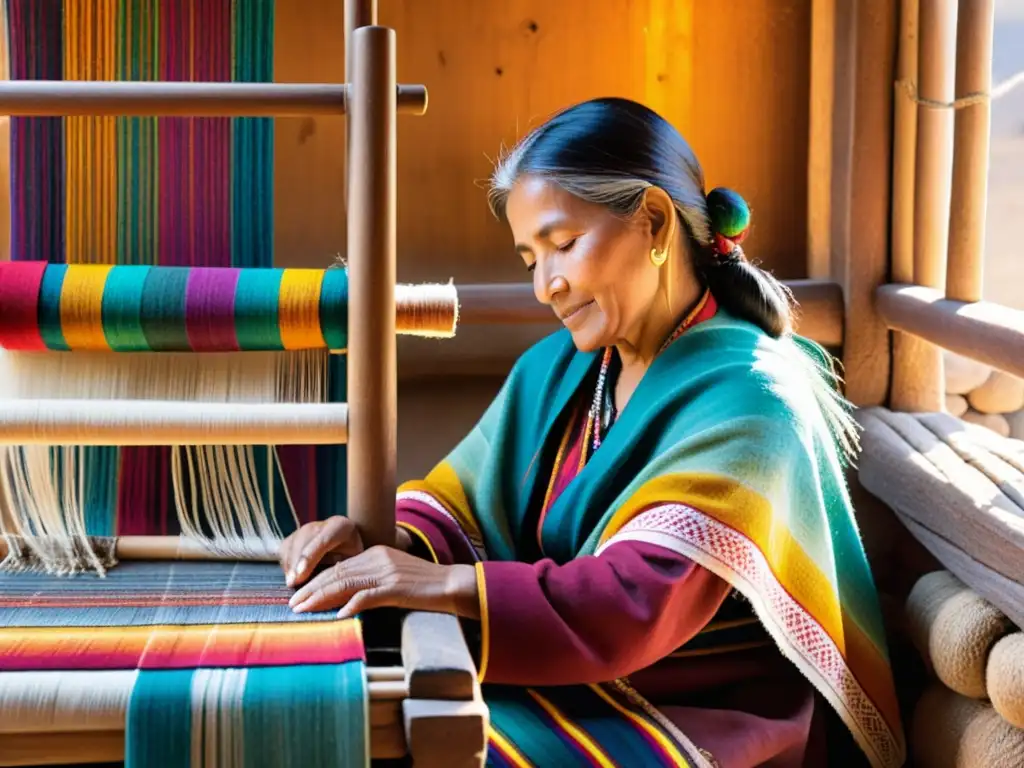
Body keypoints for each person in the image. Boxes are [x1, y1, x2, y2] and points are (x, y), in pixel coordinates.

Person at [278, 97, 906, 768]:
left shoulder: (754, 399)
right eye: (529, 260)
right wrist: (381, 537)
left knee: (406, 744)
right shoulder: (561, 369)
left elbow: (638, 601)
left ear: (655, 223)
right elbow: (462, 501)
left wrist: (435, 584)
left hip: (700, 721)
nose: (546, 286)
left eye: (563, 245)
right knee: (363, 721)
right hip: (569, 678)